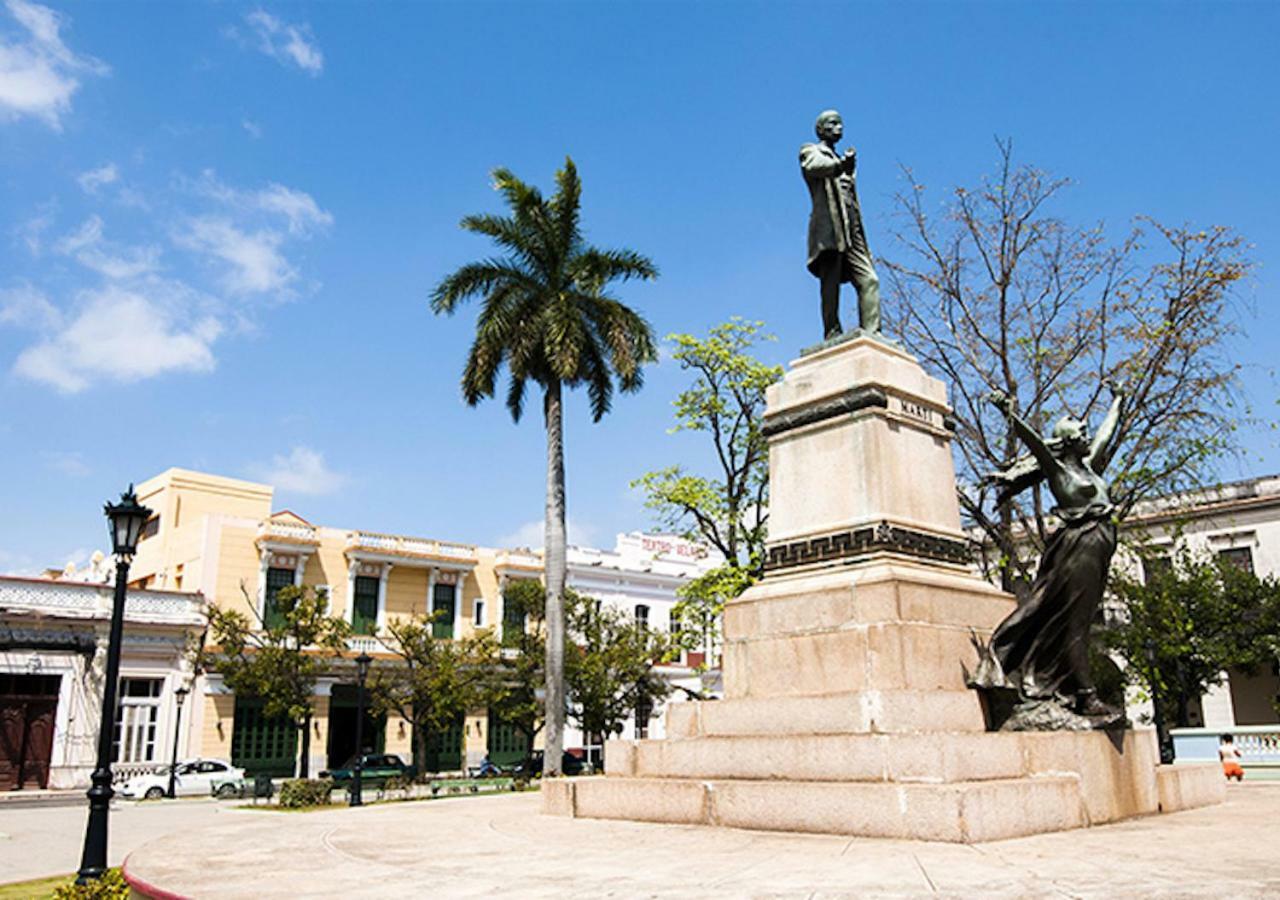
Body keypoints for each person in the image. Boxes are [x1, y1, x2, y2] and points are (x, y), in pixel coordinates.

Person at [981, 382, 1125, 722]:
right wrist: (1010, 415)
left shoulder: (1089, 466)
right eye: (1079, 429)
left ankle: (1073, 689)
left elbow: (1106, 430)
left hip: (1099, 545)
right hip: (1081, 547)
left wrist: (1119, 399)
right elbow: (1035, 442)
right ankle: (1086, 697)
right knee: (1075, 623)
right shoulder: (1059, 472)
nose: (1086, 431)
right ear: (1066, 440)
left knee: (1079, 621)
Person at [799, 109, 881, 339]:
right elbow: (813, 167)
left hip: (853, 231)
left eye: (841, 124)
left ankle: (872, 334)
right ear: (821, 129)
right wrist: (840, 167)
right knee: (831, 284)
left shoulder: (842, 162)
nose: (839, 128)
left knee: (870, 280)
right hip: (830, 231)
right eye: (833, 124)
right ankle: (832, 333)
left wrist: (846, 167)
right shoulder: (811, 150)